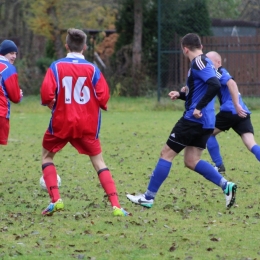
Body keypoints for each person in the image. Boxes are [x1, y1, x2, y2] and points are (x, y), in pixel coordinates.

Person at [126, 33, 237, 210]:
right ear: (199, 45)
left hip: (193, 120)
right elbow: (201, 90)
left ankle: (148, 197)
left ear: (185, 48)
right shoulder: (206, 63)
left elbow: (215, 84)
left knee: (166, 153)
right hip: (206, 122)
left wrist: (198, 107)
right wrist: (181, 95)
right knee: (191, 161)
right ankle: (226, 185)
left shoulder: (199, 62)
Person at [40, 28, 130, 217]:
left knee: (47, 157)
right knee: (99, 162)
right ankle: (116, 206)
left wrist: (51, 103)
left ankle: (56, 199)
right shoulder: (93, 69)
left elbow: (47, 93)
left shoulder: (56, 67)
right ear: (85, 47)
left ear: (66, 46)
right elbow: (104, 96)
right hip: (87, 124)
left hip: (62, 122)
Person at [205, 51, 260, 173]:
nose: (206, 64)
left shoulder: (218, 72)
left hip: (230, 111)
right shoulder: (214, 75)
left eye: (209, 61)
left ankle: (219, 166)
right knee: (251, 144)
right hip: (242, 112)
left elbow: (231, 83)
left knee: (207, 132)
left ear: (218, 62)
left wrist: (236, 105)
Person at [0, 40, 23, 146]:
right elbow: (15, 97)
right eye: (11, 53)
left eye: (15, 54)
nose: (14, 56)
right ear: (4, 53)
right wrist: (19, 94)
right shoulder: (8, 68)